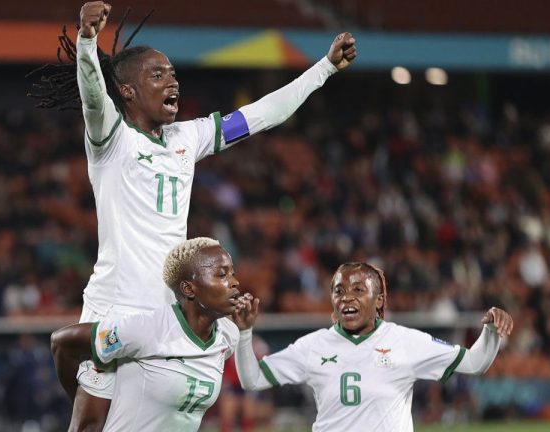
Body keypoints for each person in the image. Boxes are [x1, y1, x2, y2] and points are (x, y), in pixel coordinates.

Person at [28, 2, 358, 429]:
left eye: (173, 74)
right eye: (158, 75)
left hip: (171, 310)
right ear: (127, 91)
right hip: (115, 305)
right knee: (90, 424)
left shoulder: (188, 137)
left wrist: (324, 69)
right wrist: (87, 42)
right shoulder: (111, 139)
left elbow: (261, 114)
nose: (172, 82)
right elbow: (93, 94)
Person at [232, 262, 514, 432]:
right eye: (339, 291)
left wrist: (490, 332)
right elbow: (252, 379)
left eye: (358, 290)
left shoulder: (405, 341)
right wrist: (245, 333)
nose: (346, 298)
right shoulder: (313, 345)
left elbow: (475, 363)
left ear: (378, 300)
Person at [51, 237, 253, 431]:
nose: (234, 282)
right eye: (222, 274)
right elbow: (62, 342)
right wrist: (76, 397)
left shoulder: (228, 335)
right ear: (189, 289)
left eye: (232, 273)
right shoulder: (146, 329)